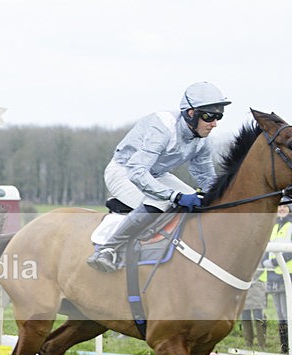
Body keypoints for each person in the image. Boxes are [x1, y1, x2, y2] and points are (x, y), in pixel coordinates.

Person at [87, 81, 231, 272]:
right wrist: (175, 196)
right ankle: (108, 249)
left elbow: (208, 180)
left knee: (200, 202)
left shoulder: (202, 141)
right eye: (209, 116)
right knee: (164, 201)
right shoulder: (163, 128)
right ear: (191, 113)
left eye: (218, 116)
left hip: (156, 174)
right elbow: (137, 171)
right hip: (123, 171)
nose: (214, 123)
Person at [260, 202, 292, 353]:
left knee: (288, 313)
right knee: (280, 314)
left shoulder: (290, 225)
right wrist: (265, 261)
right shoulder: (274, 226)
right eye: (279, 206)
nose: (281, 208)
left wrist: (272, 262)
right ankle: (284, 348)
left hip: (288, 275)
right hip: (274, 276)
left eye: (285, 206)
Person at [241, 269, 267, 351]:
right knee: (245, 315)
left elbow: (262, 266)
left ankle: (262, 345)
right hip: (244, 286)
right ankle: (248, 344)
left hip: (257, 286)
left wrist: (249, 278)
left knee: (258, 316)